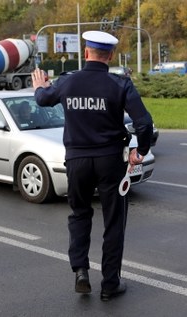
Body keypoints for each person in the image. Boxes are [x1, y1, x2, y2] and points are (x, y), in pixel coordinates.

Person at [31, 30, 153, 301]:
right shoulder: (120, 84)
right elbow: (144, 123)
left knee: (79, 215)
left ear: (85, 53)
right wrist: (139, 151)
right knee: (113, 222)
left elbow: (42, 100)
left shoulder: (67, 83)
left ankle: (81, 272)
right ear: (109, 56)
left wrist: (40, 85)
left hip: (76, 161)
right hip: (110, 161)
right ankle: (110, 284)